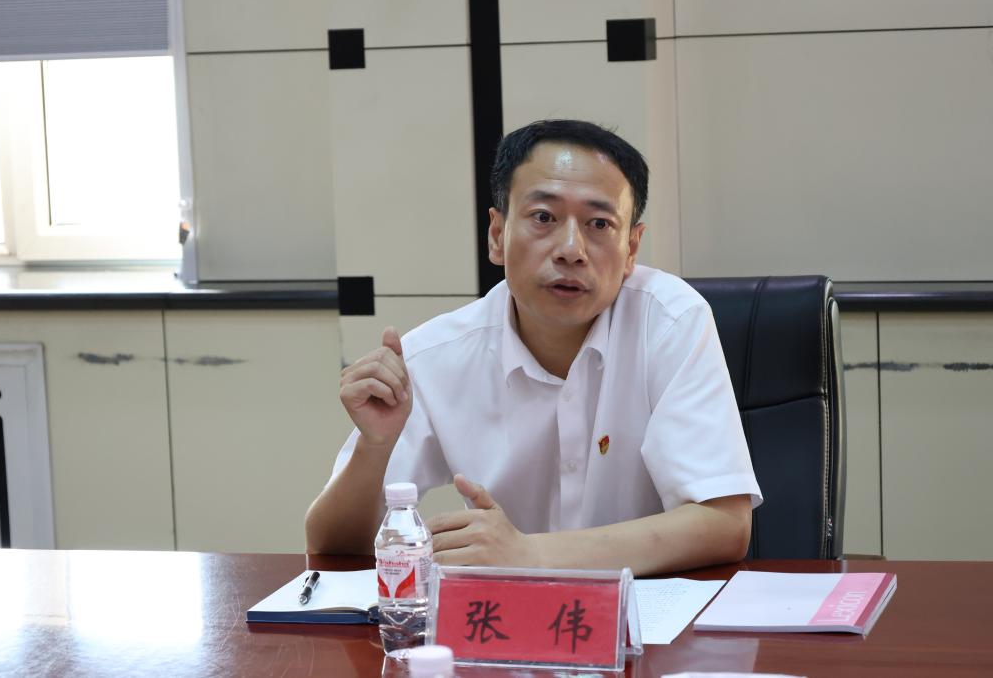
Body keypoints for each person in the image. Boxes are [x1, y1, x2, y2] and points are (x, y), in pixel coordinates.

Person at [305, 119, 762, 575]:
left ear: (631, 249)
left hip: (649, 613)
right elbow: (334, 548)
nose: (571, 249)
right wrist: (374, 447)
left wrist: (531, 555)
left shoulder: (670, 322)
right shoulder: (434, 356)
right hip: (500, 617)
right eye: (544, 217)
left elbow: (724, 524)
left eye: (599, 224)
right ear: (497, 235)